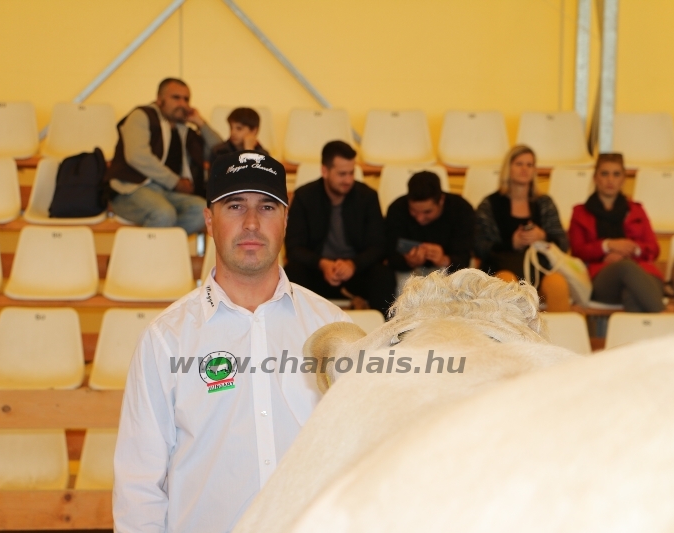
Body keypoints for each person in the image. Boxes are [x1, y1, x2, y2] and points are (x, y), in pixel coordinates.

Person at [113, 150, 350, 533]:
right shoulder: (166, 339)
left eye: (267, 207)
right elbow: (139, 484)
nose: (252, 223)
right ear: (209, 220)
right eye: (235, 206)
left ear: (286, 220)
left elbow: (357, 456)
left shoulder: (333, 329)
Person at [285, 140, 396, 316]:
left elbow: (378, 246)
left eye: (351, 173)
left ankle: (383, 330)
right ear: (325, 171)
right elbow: (294, 248)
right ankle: (297, 328)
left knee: (383, 275)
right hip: (318, 272)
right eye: (342, 174)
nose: (348, 180)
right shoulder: (304, 197)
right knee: (293, 272)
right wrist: (322, 264)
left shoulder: (367, 197)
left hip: (356, 273)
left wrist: (353, 264)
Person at [105, 78, 222, 232]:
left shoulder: (185, 132)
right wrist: (175, 182)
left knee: (202, 211)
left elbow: (220, 151)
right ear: (159, 100)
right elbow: (137, 156)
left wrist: (200, 122)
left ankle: (162, 244)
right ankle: (155, 246)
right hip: (131, 190)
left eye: (186, 99)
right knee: (163, 214)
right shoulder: (141, 115)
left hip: (166, 194)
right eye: (176, 97)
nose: (182, 104)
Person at [474, 144, 571, 312]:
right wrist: (511, 243)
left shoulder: (544, 203)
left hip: (540, 271)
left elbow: (563, 243)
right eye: (519, 164)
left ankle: (559, 329)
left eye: (529, 165)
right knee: (506, 283)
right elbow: (479, 247)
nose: (525, 169)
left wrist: (543, 236)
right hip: (501, 270)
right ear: (508, 168)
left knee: (558, 284)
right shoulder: (489, 204)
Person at [569, 153, 665, 312]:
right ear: (595, 178)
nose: (610, 180)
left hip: (643, 272)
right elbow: (578, 252)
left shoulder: (637, 210)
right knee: (625, 267)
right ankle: (663, 314)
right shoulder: (580, 213)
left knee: (632, 296)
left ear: (623, 179)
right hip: (602, 278)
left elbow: (654, 249)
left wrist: (631, 248)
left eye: (616, 174)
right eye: (604, 173)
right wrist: (607, 245)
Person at [385, 170, 475, 294]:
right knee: (403, 289)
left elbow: (465, 259)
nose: (420, 218)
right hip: (408, 272)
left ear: (441, 200)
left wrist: (444, 259)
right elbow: (390, 256)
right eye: (414, 211)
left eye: (427, 212)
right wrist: (408, 261)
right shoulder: (397, 209)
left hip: (450, 271)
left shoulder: (461, 210)